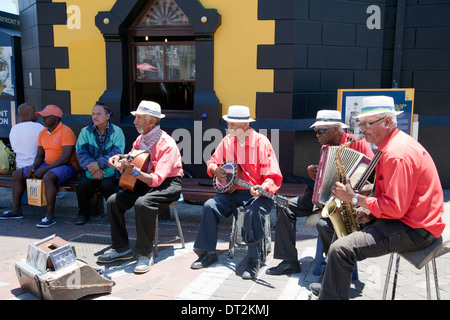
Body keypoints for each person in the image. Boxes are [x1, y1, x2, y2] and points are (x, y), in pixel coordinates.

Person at [311, 96, 446, 300]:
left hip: (416, 230)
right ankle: (333, 288)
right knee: (333, 229)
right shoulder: (390, 146)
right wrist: (370, 213)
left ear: (388, 122)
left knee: (340, 249)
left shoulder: (396, 154)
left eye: (367, 124)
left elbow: (395, 209)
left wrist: (355, 198)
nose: (362, 129)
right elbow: (393, 198)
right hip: (408, 219)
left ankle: (331, 294)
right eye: (360, 123)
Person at [266, 110, 374, 276]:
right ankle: (289, 261)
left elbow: (371, 177)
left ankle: (337, 266)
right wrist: (313, 170)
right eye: (315, 130)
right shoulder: (325, 148)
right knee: (285, 206)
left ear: (337, 129)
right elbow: (325, 176)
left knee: (324, 225)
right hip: (323, 197)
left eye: (321, 130)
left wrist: (354, 193)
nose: (317, 134)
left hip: (347, 202)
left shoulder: (358, 143)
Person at [191, 105, 283, 279]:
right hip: (232, 192)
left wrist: (264, 187)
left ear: (245, 126)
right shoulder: (227, 141)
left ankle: (254, 260)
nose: (228, 128)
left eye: (232, 125)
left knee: (252, 213)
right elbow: (213, 161)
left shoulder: (261, 142)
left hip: (259, 194)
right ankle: (208, 253)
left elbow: (273, 175)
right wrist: (214, 169)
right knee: (210, 206)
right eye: (228, 124)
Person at [97, 100, 183, 274]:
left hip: (168, 183)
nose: (134, 121)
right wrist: (117, 161)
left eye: (138, 118)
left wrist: (133, 171)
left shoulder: (167, 143)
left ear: (151, 121)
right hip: (143, 179)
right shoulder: (140, 139)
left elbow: (157, 180)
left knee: (143, 204)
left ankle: (145, 254)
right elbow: (131, 158)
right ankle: (122, 249)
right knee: (113, 201)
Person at [0, 104, 78, 227]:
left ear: (57, 118)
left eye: (47, 117)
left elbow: (66, 158)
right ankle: (16, 211)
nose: (43, 119)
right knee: (16, 175)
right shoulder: (43, 133)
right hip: (48, 164)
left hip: (68, 166)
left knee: (48, 177)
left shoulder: (66, 131)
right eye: (42, 117)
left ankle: (49, 216)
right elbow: (40, 155)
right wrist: (34, 167)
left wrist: (45, 169)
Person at [75, 102, 125, 225]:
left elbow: (117, 153)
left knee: (108, 186)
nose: (95, 117)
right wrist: (93, 167)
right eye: (93, 114)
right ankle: (83, 213)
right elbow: (81, 153)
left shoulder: (117, 132)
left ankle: (115, 213)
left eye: (99, 114)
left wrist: (99, 164)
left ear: (107, 116)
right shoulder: (85, 132)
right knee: (83, 185)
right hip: (89, 169)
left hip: (110, 168)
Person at [9, 103, 44, 169]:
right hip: (37, 167)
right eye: (34, 111)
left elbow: (15, 151)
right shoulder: (39, 127)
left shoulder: (14, 129)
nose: (36, 113)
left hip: (19, 168)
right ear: (28, 114)